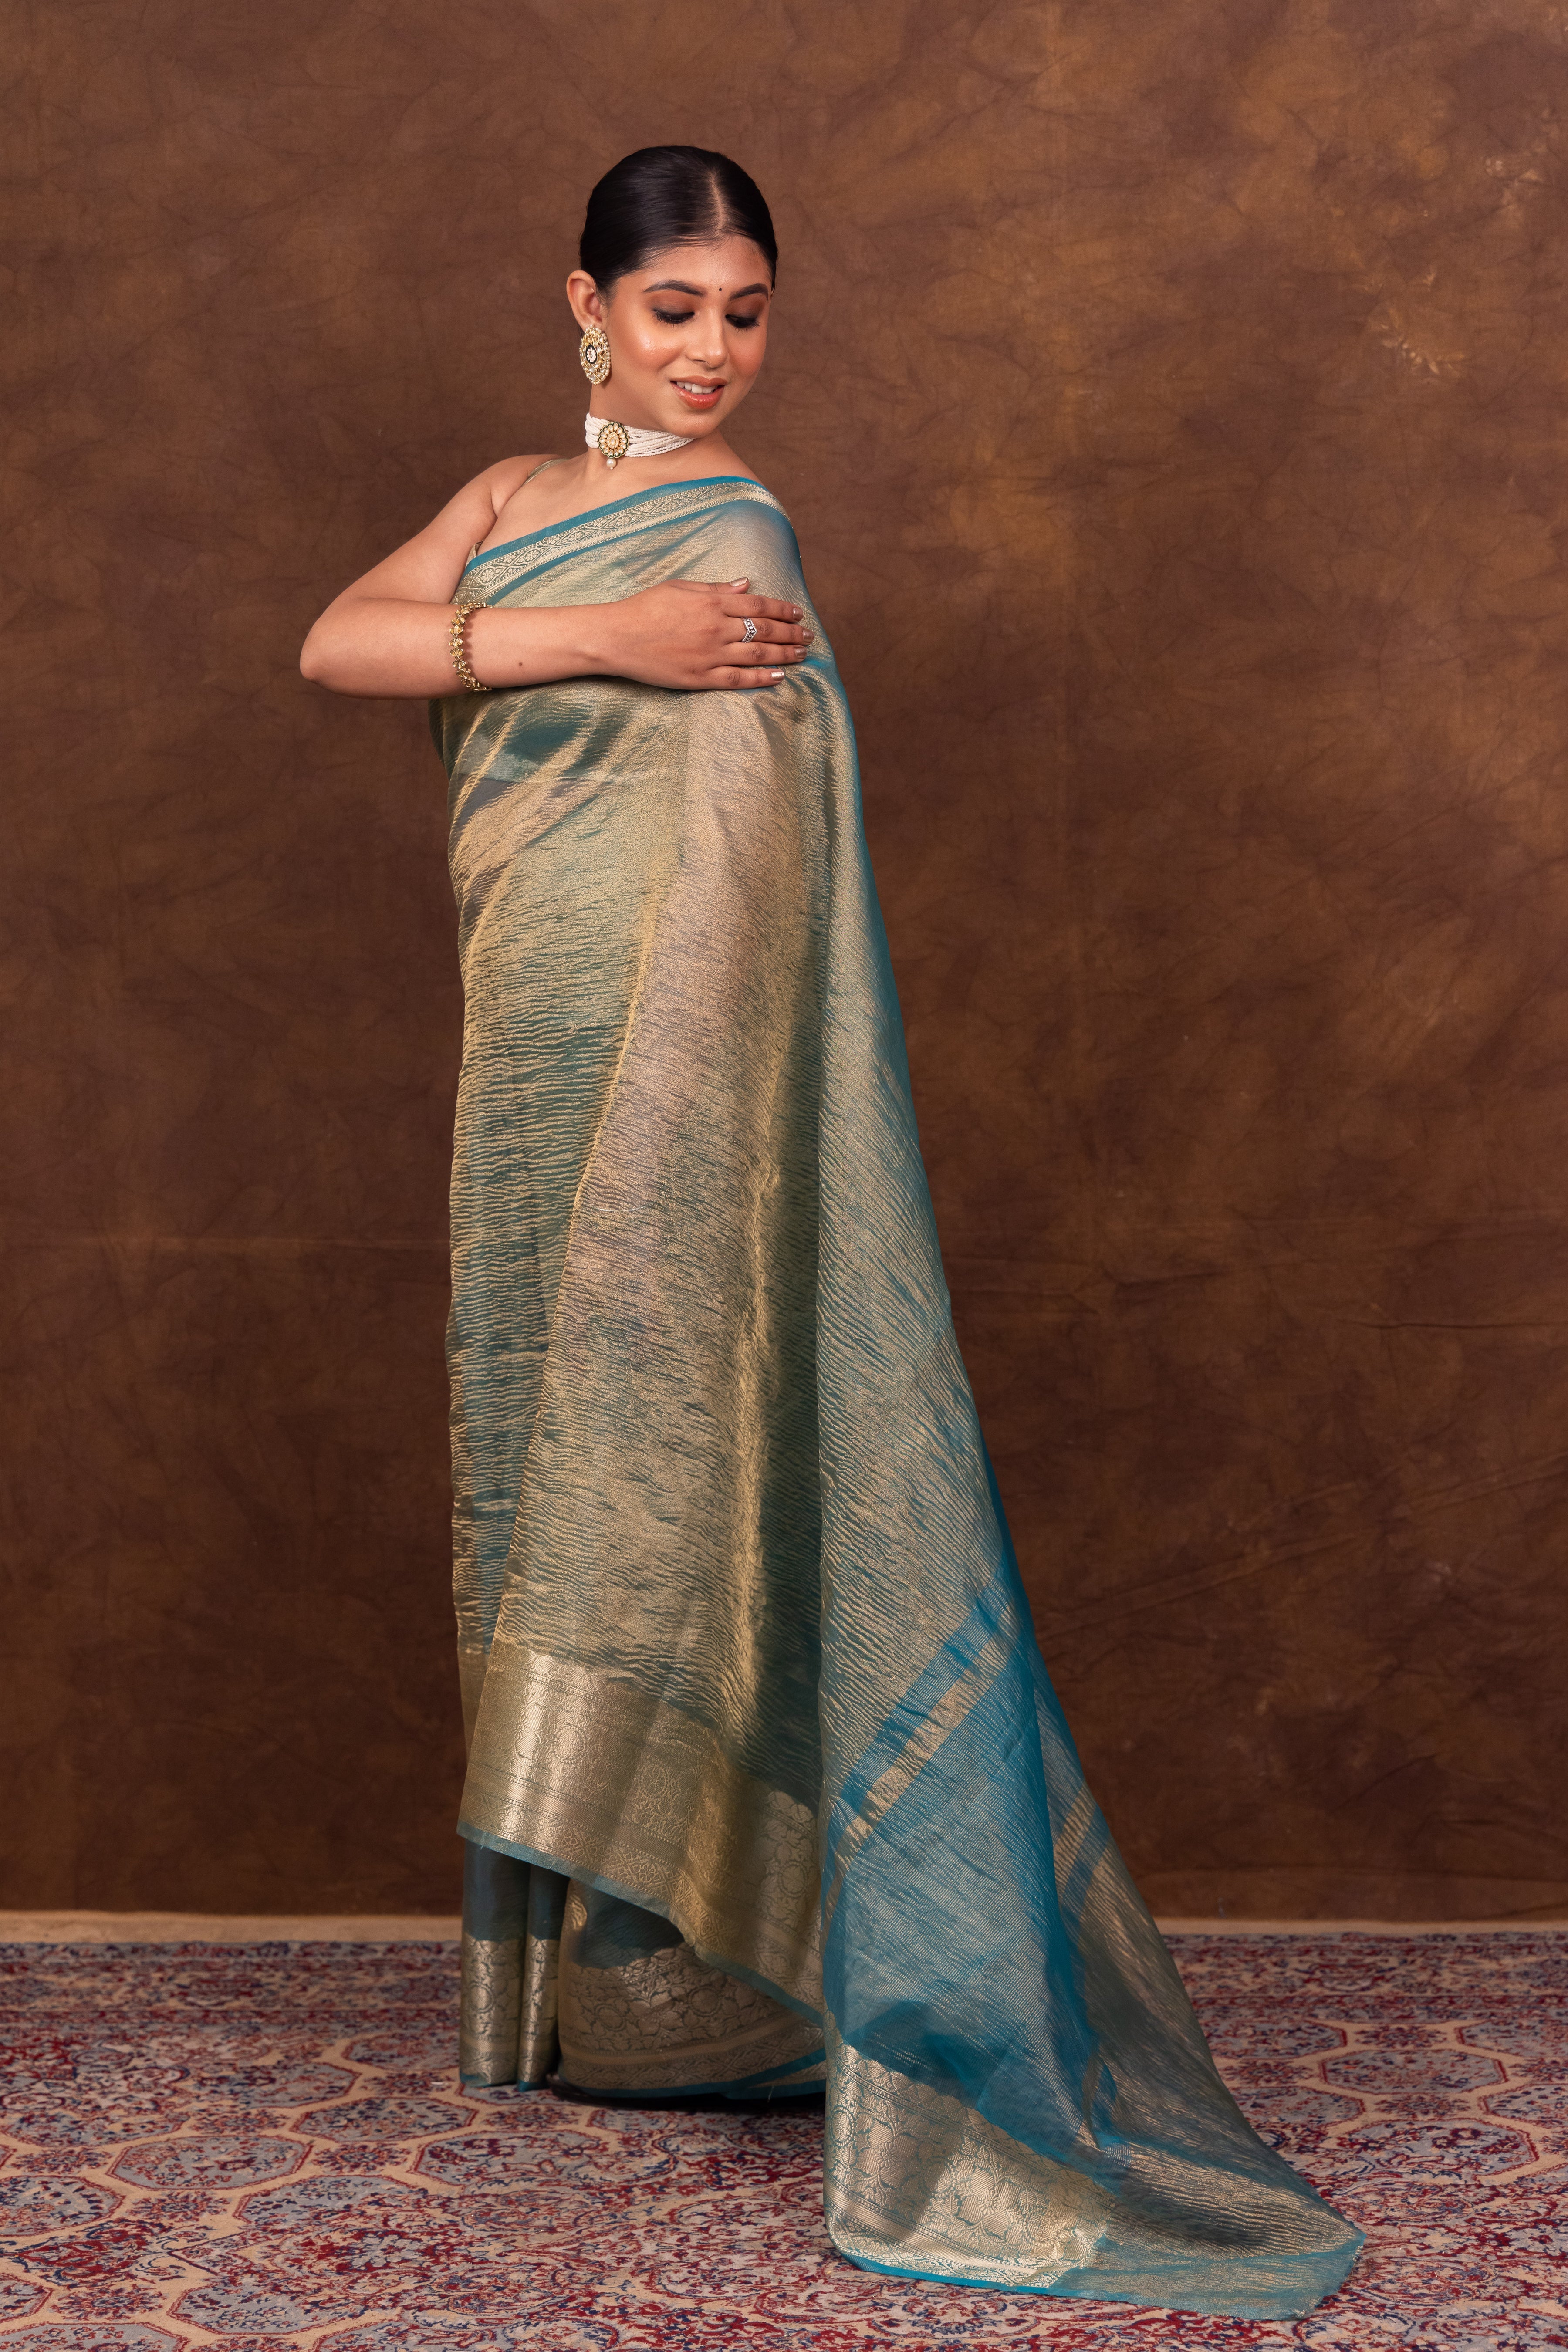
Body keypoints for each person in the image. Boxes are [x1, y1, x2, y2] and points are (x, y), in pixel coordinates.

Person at [301, 145, 1362, 2320]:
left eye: (747, 312)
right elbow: (338, 642)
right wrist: (598, 637)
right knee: (541, 1453)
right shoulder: (517, 499)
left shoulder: (743, 536)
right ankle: (614, 1989)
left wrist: (701, 1110)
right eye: (673, 307)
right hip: (536, 1065)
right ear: (585, 303)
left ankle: (738, 1971)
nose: (712, 352)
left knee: (670, 1440)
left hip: (689, 1103)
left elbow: (760, 866)